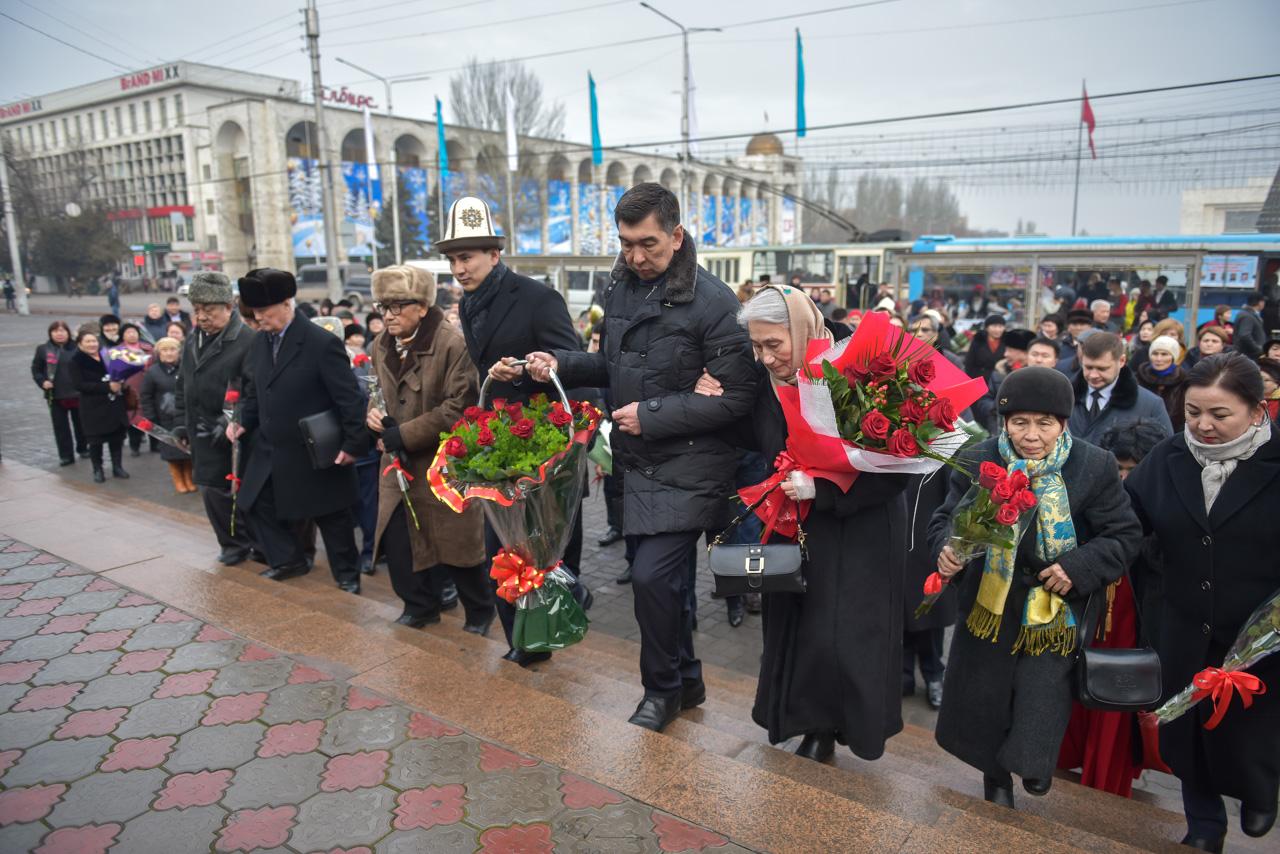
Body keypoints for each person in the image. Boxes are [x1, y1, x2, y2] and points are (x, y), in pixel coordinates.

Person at [526, 182, 756, 732]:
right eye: (626, 244)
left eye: (647, 244)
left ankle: (662, 690)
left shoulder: (715, 302)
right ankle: (689, 680)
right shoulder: (622, 287)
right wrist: (559, 363)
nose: (635, 256)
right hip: (636, 463)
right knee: (662, 586)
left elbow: (737, 399)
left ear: (677, 236)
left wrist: (650, 415)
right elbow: (613, 365)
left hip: (694, 464)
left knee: (652, 578)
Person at [697, 284, 908, 760]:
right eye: (757, 346)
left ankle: (840, 727)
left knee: (845, 636)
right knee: (798, 626)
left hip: (862, 531)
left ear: (802, 328)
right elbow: (754, 433)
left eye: (774, 344)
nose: (765, 357)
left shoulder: (862, 366)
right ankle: (805, 721)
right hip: (798, 522)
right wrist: (712, 399)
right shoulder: (769, 380)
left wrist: (824, 489)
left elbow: (898, 466)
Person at [931, 367, 1142, 809]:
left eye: (1044, 423)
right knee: (986, 696)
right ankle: (994, 778)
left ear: (1063, 423)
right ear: (1003, 422)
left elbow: (1123, 535)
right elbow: (946, 517)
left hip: (1055, 605)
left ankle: (1034, 761)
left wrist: (1076, 567)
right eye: (1020, 422)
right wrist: (948, 549)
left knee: (1040, 692)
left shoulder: (1094, 465)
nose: (1031, 435)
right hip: (990, 600)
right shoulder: (979, 458)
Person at [1125, 353, 1280, 850]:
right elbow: (1126, 524)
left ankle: (1259, 790)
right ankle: (1204, 826)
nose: (1203, 425)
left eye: (1219, 414)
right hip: (1183, 624)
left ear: (1257, 411)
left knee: (1250, 731)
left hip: (1261, 636)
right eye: (1193, 412)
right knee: (1187, 731)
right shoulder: (1167, 458)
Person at [442, 196, 584, 666]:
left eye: (467, 257)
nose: (459, 269)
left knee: (546, 552)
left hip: (544, 454)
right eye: (453, 260)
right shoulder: (468, 305)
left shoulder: (538, 298)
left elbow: (570, 365)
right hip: (499, 453)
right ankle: (521, 641)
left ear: (494, 253)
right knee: (501, 550)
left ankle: (543, 637)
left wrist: (523, 373)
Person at [365, 265, 496, 633]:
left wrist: (405, 434)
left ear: (422, 307)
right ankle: (420, 606)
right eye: (383, 307)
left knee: (457, 547)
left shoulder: (453, 344)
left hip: (443, 465)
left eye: (397, 306)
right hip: (398, 466)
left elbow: (459, 407)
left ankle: (480, 611)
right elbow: (376, 393)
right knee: (399, 541)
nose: (388, 315)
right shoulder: (380, 345)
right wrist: (372, 416)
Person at [227, 268, 368, 592]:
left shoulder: (321, 343)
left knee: (331, 515)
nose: (258, 317)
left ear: (286, 303)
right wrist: (242, 420)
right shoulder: (260, 343)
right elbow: (256, 391)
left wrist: (353, 444)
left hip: (315, 447)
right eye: (254, 311)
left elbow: (349, 399)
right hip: (272, 446)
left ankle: (347, 576)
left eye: (264, 310)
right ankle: (289, 560)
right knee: (254, 501)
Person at [1055, 419, 1167, 798]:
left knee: (1115, 699)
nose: (1123, 478)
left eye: (1133, 470)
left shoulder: (1162, 507)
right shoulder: (1090, 491)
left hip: (1131, 621)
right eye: (1117, 468)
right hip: (1085, 610)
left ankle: (1105, 783)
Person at [173, 273, 259, 564]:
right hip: (199, 431)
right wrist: (180, 422)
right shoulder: (192, 339)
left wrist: (230, 421)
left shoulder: (247, 341)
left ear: (228, 307)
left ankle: (245, 542)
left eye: (208, 310)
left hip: (232, 433)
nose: (201, 317)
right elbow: (183, 384)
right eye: (197, 310)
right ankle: (231, 543)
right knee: (211, 490)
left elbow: (253, 391)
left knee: (233, 490)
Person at [1068, 332, 1172, 444]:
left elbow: (1166, 449)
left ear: (1122, 361)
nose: (1093, 375)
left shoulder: (1150, 405)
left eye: (1102, 369)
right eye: (1088, 367)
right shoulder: (1064, 397)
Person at [68, 330, 130, 483]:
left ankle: (117, 467)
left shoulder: (107, 356)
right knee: (95, 441)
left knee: (116, 437)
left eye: (94, 341)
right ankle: (98, 469)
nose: (92, 344)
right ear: (80, 344)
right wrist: (107, 387)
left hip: (114, 403)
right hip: (93, 406)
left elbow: (119, 373)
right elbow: (79, 385)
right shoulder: (76, 361)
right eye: (88, 341)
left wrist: (121, 381)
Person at [141, 337, 194, 494]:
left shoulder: (187, 368)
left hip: (185, 416)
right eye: (165, 350)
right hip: (164, 418)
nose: (169, 353)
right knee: (172, 452)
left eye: (172, 349)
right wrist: (150, 417)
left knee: (187, 450)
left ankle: (189, 477)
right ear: (159, 353)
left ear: (179, 351)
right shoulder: (152, 372)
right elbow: (146, 396)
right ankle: (178, 479)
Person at [31, 320, 87, 466]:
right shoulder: (43, 349)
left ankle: (83, 448)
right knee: (61, 427)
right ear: (50, 333)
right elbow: (36, 369)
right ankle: (66, 455)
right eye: (55, 331)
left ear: (68, 333)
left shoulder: (78, 347)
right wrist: (42, 382)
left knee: (81, 424)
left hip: (77, 393)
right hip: (56, 395)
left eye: (62, 330)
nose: (59, 334)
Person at [1135, 335, 1189, 431]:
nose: (1159, 359)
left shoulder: (1184, 381)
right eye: (1155, 354)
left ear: (1173, 357)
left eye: (1164, 354)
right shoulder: (1138, 378)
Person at [964, 315, 1006, 383]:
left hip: (1000, 380)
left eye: (1000, 326)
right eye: (994, 326)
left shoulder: (1007, 342)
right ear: (987, 328)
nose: (997, 329)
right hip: (979, 379)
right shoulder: (978, 340)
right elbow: (969, 362)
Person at [1234, 293, 1267, 360]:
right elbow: (1244, 335)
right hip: (1249, 356)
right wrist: (1258, 349)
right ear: (1260, 303)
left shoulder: (1247, 314)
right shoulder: (1247, 316)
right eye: (1264, 302)